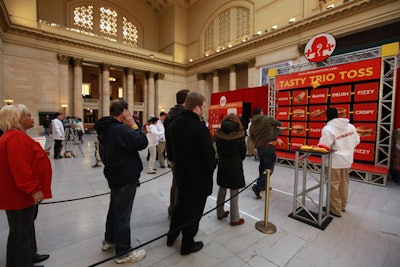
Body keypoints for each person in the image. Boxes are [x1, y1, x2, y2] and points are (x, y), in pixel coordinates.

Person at [94, 99, 148, 264]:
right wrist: (132, 123)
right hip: (125, 177)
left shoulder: (106, 127)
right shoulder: (119, 129)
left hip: (114, 175)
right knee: (123, 215)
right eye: (128, 112)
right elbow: (142, 142)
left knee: (114, 210)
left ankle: (109, 240)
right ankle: (123, 253)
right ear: (124, 111)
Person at [0, 104, 52, 267]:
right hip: (20, 195)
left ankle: (30, 255)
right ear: (18, 119)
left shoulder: (17, 136)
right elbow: (20, 169)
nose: (33, 118)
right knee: (19, 233)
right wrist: (34, 190)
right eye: (29, 115)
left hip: (22, 194)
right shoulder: (15, 137)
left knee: (26, 227)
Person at [166, 92, 216, 255]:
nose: (204, 110)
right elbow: (209, 156)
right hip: (198, 178)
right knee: (193, 212)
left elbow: (170, 152)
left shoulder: (174, 124)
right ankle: (187, 244)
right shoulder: (198, 127)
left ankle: (171, 236)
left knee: (180, 206)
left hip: (181, 174)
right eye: (203, 107)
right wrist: (211, 167)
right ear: (197, 107)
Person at [318, 107, 360, 217]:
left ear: (326, 116)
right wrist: (347, 149)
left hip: (334, 162)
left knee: (333, 185)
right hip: (347, 160)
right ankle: (342, 206)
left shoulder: (328, 129)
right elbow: (357, 140)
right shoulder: (350, 126)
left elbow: (324, 146)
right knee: (344, 184)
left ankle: (335, 209)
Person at [214, 114, 246, 226]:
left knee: (222, 189)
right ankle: (234, 219)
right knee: (234, 192)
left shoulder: (219, 135)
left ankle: (220, 212)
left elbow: (217, 151)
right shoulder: (239, 136)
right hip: (235, 166)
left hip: (223, 165)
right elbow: (243, 154)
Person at [164, 89, 189, 217]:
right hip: (181, 156)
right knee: (180, 184)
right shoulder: (183, 116)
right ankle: (177, 211)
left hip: (172, 154)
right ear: (186, 100)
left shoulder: (170, 114)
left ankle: (173, 208)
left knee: (175, 183)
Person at [249, 107, 284, 199]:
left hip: (260, 147)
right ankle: (258, 186)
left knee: (262, 166)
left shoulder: (252, 123)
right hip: (268, 146)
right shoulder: (267, 119)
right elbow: (279, 123)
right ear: (261, 112)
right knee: (269, 168)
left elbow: (251, 136)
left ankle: (264, 185)